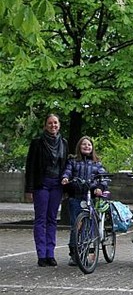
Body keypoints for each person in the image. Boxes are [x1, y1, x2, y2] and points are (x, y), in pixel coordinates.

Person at [24, 113, 69, 267]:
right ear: (45, 125)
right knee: (40, 219)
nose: (53, 125)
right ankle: (41, 255)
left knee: (52, 220)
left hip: (57, 185)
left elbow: (65, 166)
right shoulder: (37, 143)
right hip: (41, 185)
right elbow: (30, 167)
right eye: (50, 123)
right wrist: (29, 189)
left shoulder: (63, 143)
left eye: (55, 123)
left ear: (59, 125)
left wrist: (66, 186)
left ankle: (50, 253)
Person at [61, 136, 108, 266]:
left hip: (89, 197)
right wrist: (65, 178)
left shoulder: (97, 163)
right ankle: (74, 254)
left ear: (92, 148)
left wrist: (100, 187)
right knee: (76, 226)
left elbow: (103, 178)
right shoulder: (73, 161)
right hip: (75, 197)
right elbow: (68, 172)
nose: (87, 146)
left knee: (88, 225)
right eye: (84, 144)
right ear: (79, 147)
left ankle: (86, 251)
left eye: (89, 145)